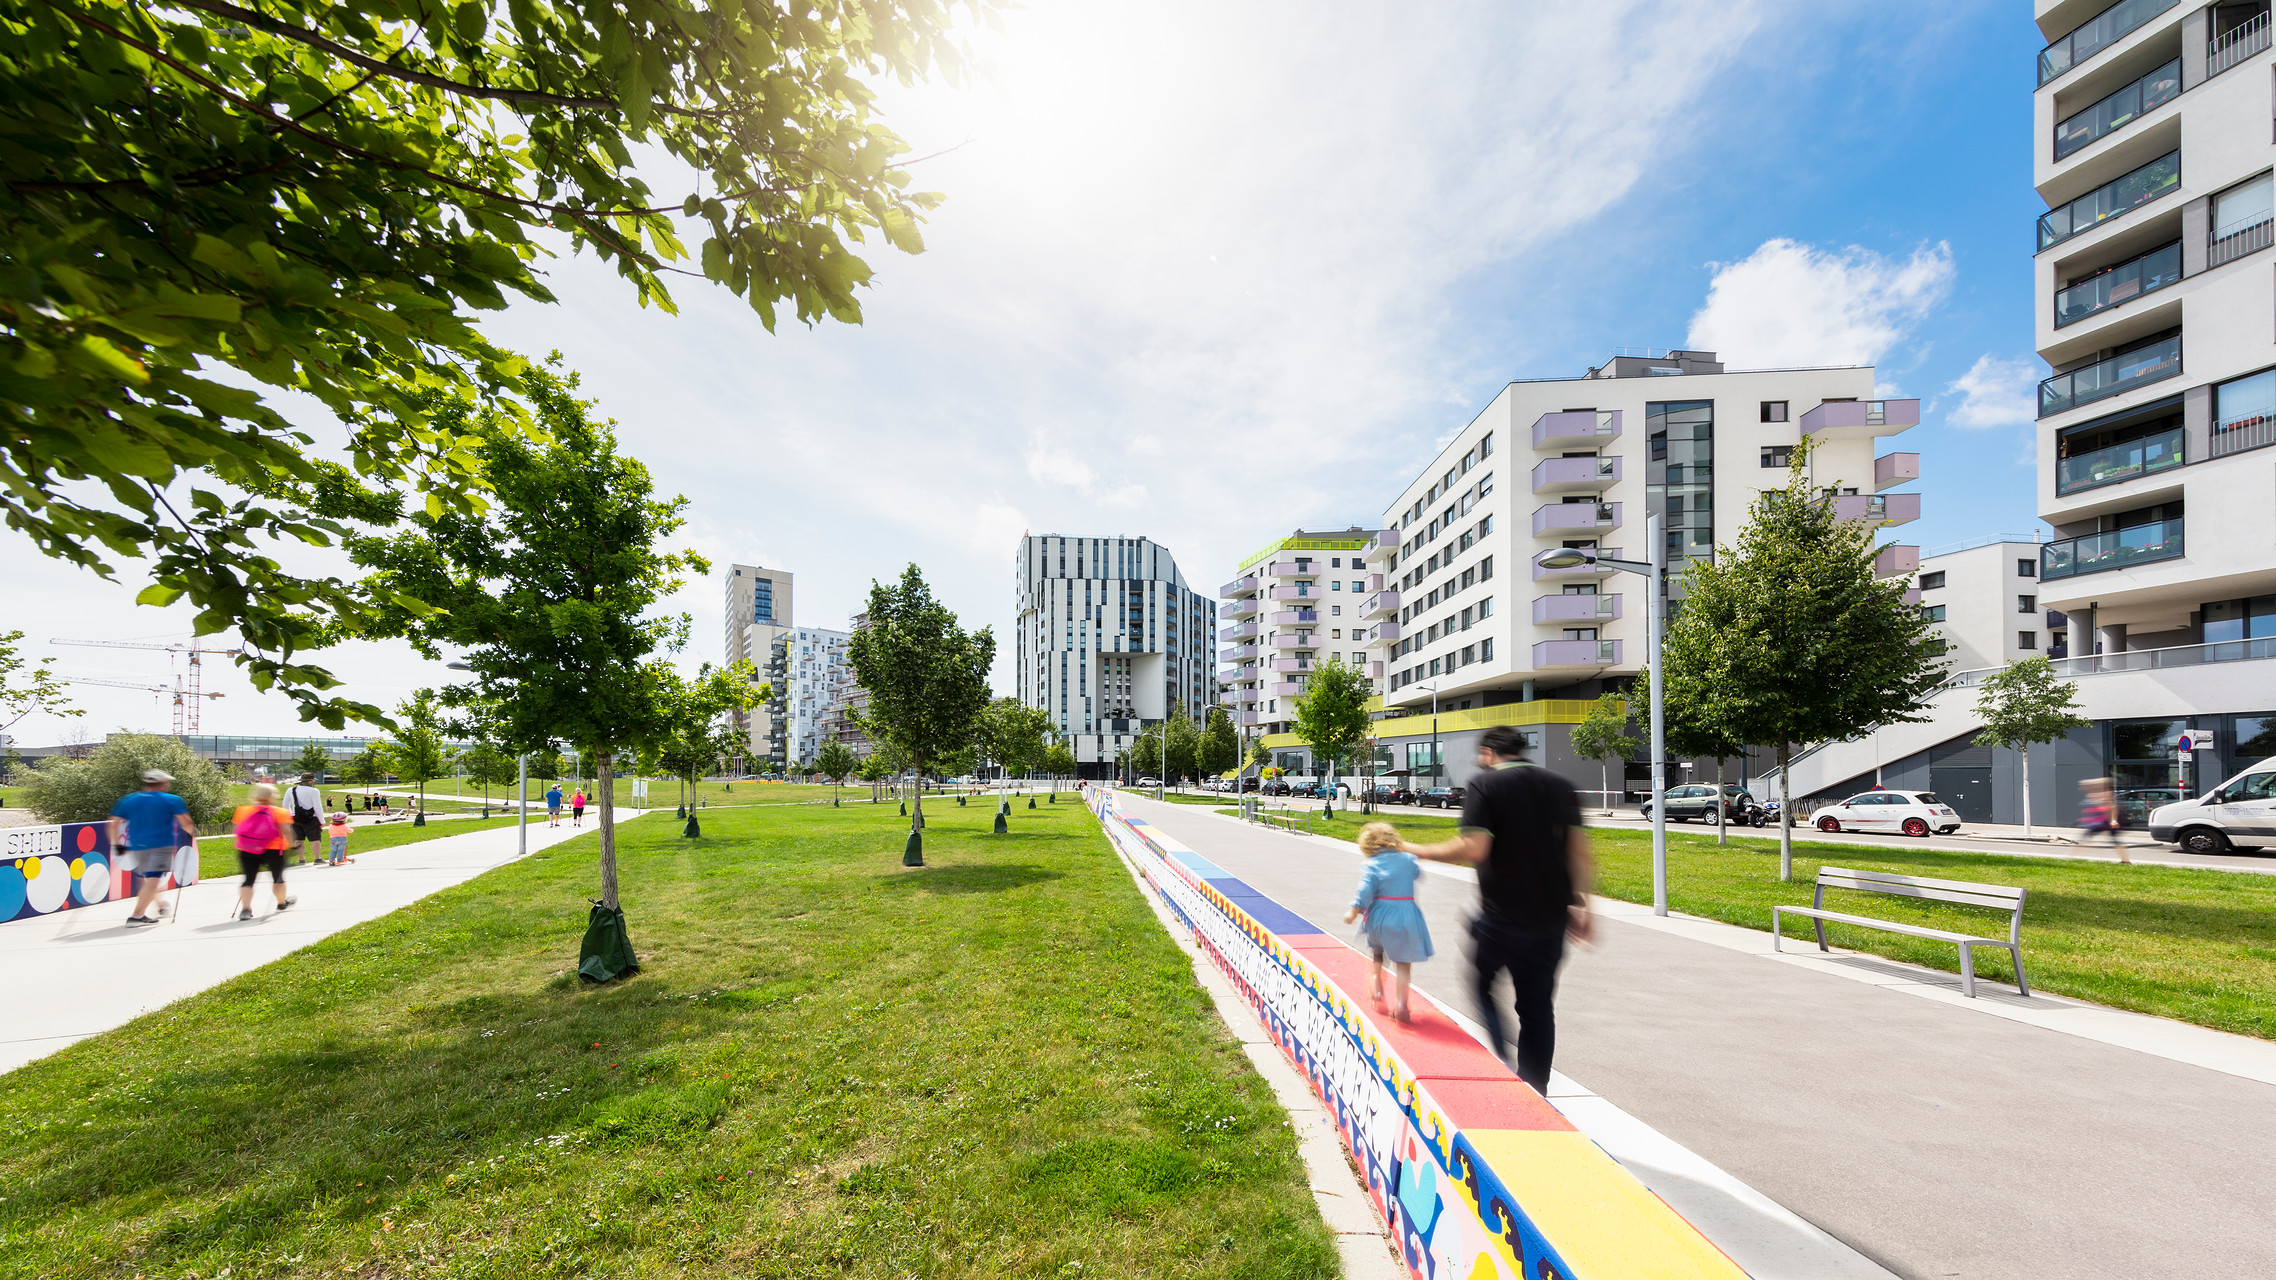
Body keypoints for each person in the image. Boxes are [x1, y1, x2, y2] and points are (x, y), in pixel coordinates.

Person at [1402, 725, 1593, 1095]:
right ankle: (1535, 1088)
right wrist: (1583, 904)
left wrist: (1417, 849)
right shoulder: (1560, 785)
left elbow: (1475, 848)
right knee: (1537, 1009)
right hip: (1551, 918)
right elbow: (1579, 851)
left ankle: (1503, 1060)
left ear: (1489, 752)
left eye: (1480, 756)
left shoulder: (1485, 785)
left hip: (1501, 916)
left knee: (1481, 982)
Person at [1344, 822, 1433, 1023]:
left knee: (1377, 954)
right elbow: (1419, 874)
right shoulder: (1407, 859)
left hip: (1380, 915)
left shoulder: (1371, 864)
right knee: (1403, 963)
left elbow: (1365, 890)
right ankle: (1402, 1006)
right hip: (1406, 915)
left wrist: (1354, 909)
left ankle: (1377, 990)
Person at [109, 769, 197, 928]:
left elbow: (114, 823)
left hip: (137, 845)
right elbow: (186, 822)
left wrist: (116, 844)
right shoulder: (172, 800)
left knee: (149, 880)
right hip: (161, 844)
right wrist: (191, 832)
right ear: (163, 783)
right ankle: (136, 916)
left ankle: (161, 906)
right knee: (153, 880)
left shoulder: (129, 799)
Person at [232, 782, 298, 921]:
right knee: (277, 878)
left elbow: (237, 830)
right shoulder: (280, 812)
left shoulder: (243, 810)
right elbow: (286, 831)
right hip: (273, 849)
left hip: (248, 849)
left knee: (248, 880)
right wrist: (292, 845)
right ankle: (281, 903)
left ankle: (245, 909)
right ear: (273, 796)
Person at [2078, 777, 2128, 864]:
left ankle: (2073, 858)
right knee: (2115, 841)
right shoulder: (2095, 794)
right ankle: (2125, 860)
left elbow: (2112, 807)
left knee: (2084, 839)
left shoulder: (2105, 794)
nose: (2082, 788)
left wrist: (2113, 820)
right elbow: (2095, 808)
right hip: (2101, 822)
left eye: (2084, 786)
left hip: (2105, 822)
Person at [283, 772, 325, 866]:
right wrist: (322, 821)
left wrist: (291, 815)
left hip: (296, 818)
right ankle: (317, 859)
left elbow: (285, 806)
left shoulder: (291, 790)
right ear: (310, 781)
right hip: (311, 818)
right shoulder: (314, 791)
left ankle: (301, 859)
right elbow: (318, 807)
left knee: (299, 839)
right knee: (315, 839)